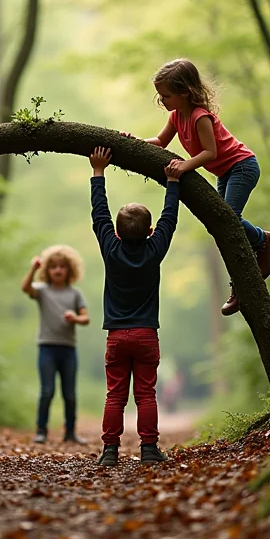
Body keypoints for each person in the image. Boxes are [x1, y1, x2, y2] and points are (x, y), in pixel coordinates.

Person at [123, 58, 270, 316]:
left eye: (166, 95)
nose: (162, 100)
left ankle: (262, 241)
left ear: (185, 92)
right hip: (224, 172)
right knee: (222, 223)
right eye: (160, 95)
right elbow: (160, 141)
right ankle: (250, 263)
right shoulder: (176, 116)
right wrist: (135, 142)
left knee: (227, 219)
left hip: (241, 166)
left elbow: (210, 152)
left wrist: (184, 166)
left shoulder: (199, 117)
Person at [88, 146, 180, 467]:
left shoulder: (111, 249)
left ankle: (110, 451)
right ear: (151, 232)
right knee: (146, 395)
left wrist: (98, 171)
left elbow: (99, 214)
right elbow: (170, 219)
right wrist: (172, 183)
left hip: (116, 336)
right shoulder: (155, 250)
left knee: (115, 395)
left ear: (115, 232)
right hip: (145, 335)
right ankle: (149, 449)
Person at [21, 246, 90, 445]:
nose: (58, 270)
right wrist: (33, 269)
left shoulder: (75, 294)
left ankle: (70, 432)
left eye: (62, 266)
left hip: (68, 349)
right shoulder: (42, 290)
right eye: (53, 267)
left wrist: (75, 318)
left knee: (70, 394)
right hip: (47, 348)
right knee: (47, 391)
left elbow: (85, 318)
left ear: (70, 269)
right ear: (47, 270)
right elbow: (25, 288)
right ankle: (41, 430)